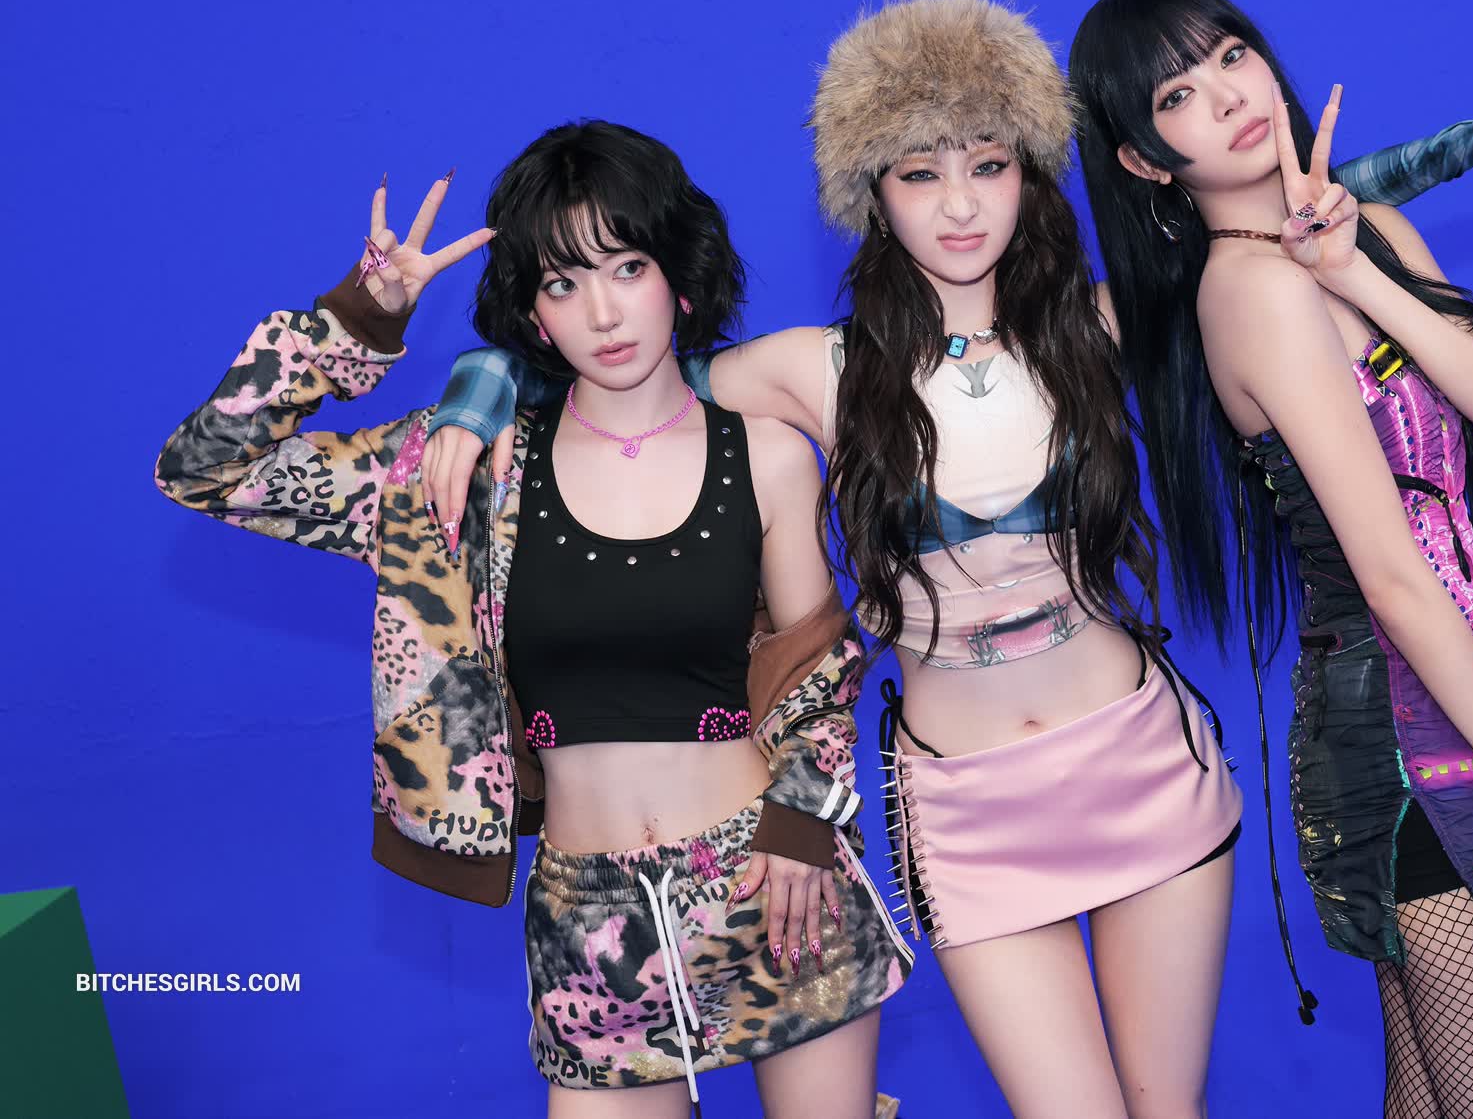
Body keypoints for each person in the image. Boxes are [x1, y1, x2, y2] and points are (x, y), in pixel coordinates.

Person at [416, 0, 1473, 1118]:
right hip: (968, 809)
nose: (959, 205)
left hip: (1145, 770)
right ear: (871, 189)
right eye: (920, 172)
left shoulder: (1104, 324)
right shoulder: (811, 370)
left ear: (1030, 173)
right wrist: (477, 388)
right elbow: (610, 350)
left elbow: (1268, 210)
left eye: (988, 165)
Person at [153, 121, 911, 1119]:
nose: (603, 310)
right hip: (587, 921)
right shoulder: (463, 469)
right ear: (531, 311)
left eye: (628, 267)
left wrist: (803, 821)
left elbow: (817, 665)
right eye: (562, 282)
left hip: (772, 885)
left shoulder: (764, 453)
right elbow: (208, 470)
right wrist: (358, 319)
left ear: (678, 277)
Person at [1070, 0, 1473, 1118]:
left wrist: (1353, 264)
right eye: (1175, 95)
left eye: (1229, 55)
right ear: (1143, 162)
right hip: (1405, 737)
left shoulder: (1356, 241)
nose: (1227, 94)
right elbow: (1393, 576)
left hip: (1452, 703)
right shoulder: (1247, 294)